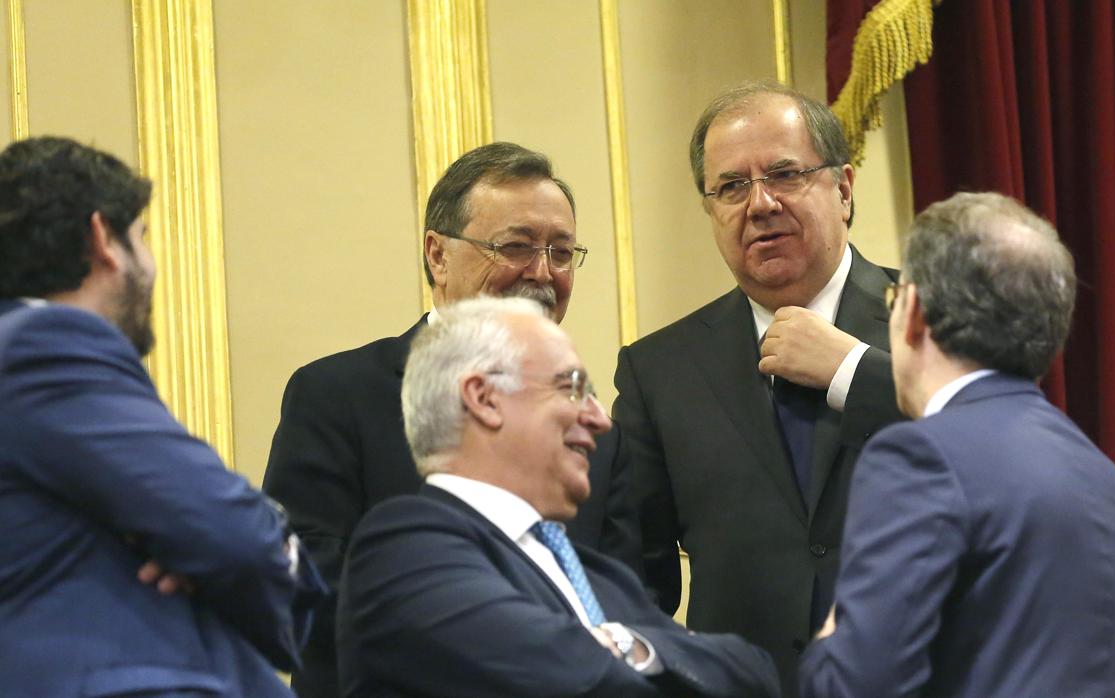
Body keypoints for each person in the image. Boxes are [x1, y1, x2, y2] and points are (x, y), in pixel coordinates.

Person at [262, 142, 641, 696]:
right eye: (516, 246)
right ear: (437, 255)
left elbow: (635, 599)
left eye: (561, 252)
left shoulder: (598, 435)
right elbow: (305, 580)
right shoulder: (337, 395)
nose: (541, 272)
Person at [0, 136, 326, 696]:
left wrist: (184, 545)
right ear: (102, 238)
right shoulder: (45, 345)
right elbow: (233, 535)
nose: (149, 265)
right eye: (141, 239)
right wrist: (226, 550)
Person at [799, 192, 1115, 697]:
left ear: (913, 310)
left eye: (892, 300)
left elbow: (851, 685)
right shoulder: (1112, 483)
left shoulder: (921, 458)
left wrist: (836, 629)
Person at [612, 80, 903, 692]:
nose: (760, 203)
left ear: (843, 190)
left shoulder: (938, 324)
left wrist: (853, 371)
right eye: (731, 187)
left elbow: (1000, 454)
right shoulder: (659, 370)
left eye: (785, 174)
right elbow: (638, 578)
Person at [337, 296, 780, 697]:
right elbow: (565, 677)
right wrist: (642, 651)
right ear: (484, 398)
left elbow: (754, 672)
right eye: (572, 388)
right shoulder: (403, 548)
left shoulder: (598, 574)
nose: (599, 420)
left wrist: (622, 642)